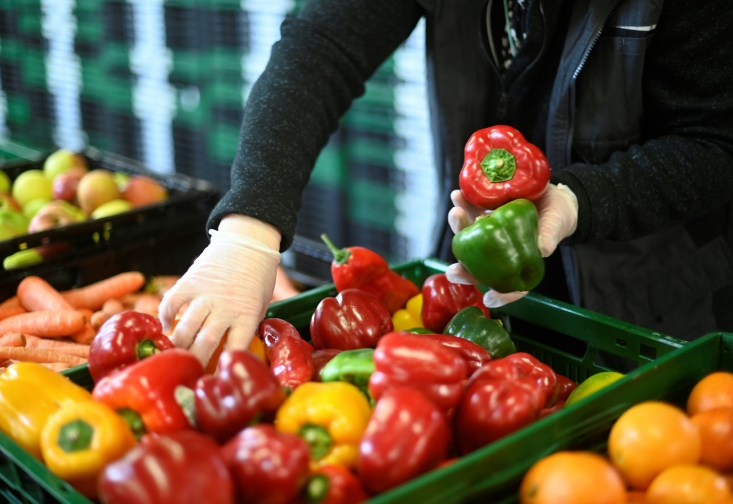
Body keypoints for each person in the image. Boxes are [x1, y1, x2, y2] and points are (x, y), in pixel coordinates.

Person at [158, 0, 733, 366]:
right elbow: (323, 45)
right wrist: (248, 232)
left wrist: (580, 201)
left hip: (650, 310)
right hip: (471, 273)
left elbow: (716, 140)